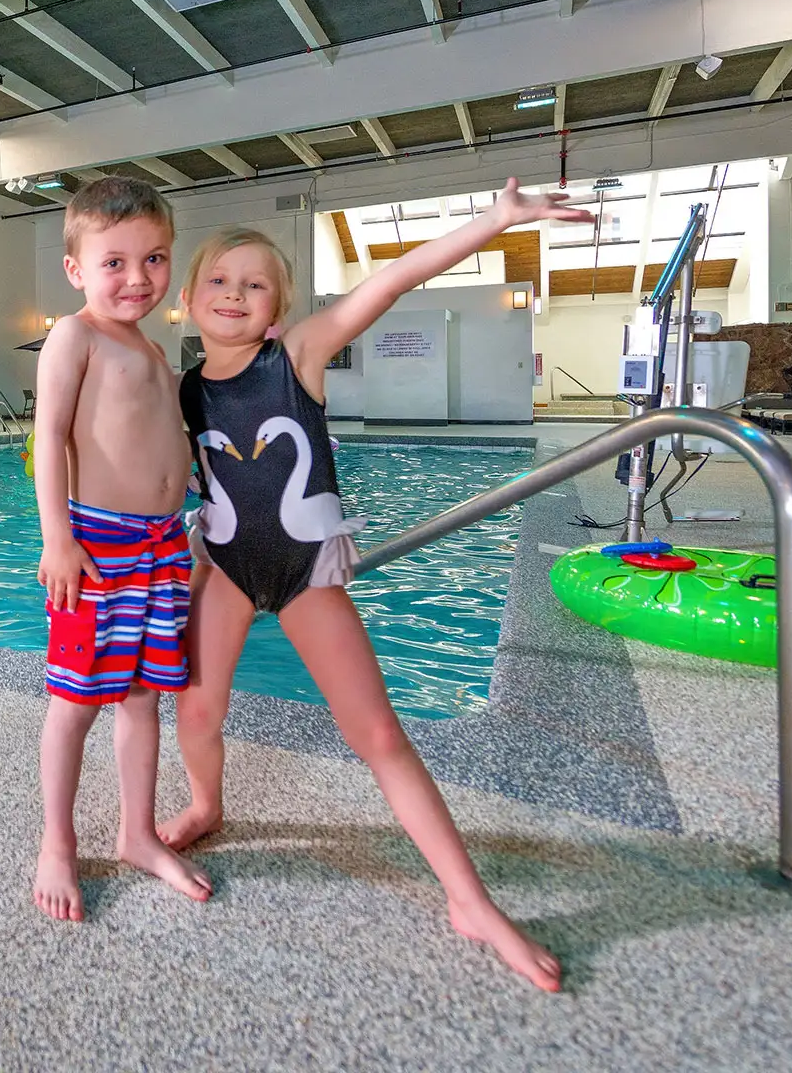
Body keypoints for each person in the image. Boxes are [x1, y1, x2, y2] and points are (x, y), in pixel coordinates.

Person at [164, 180, 590, 992]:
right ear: (187, 300)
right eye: (219, 280)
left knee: (379, 736)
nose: (235, 294)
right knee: (196, 707)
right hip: (220, 566)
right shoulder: (184, 390)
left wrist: (495, 221)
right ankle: (206, 803)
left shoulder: (297, 358)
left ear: (279, 310)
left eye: (255, 285)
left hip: (302, 575)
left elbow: (388, 282)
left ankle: (471, 899)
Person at [32, 176, 212, 922]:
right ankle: (57, 845)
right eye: (114, 262)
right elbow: (46, 436)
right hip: (98, 547)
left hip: (163, 547)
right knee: (74, 705)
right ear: (76, 268)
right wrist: (59, 540)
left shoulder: (152, 345)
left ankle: (137, 833)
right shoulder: (75, 336)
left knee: (142, 698)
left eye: (155, 258)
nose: (137, 278)